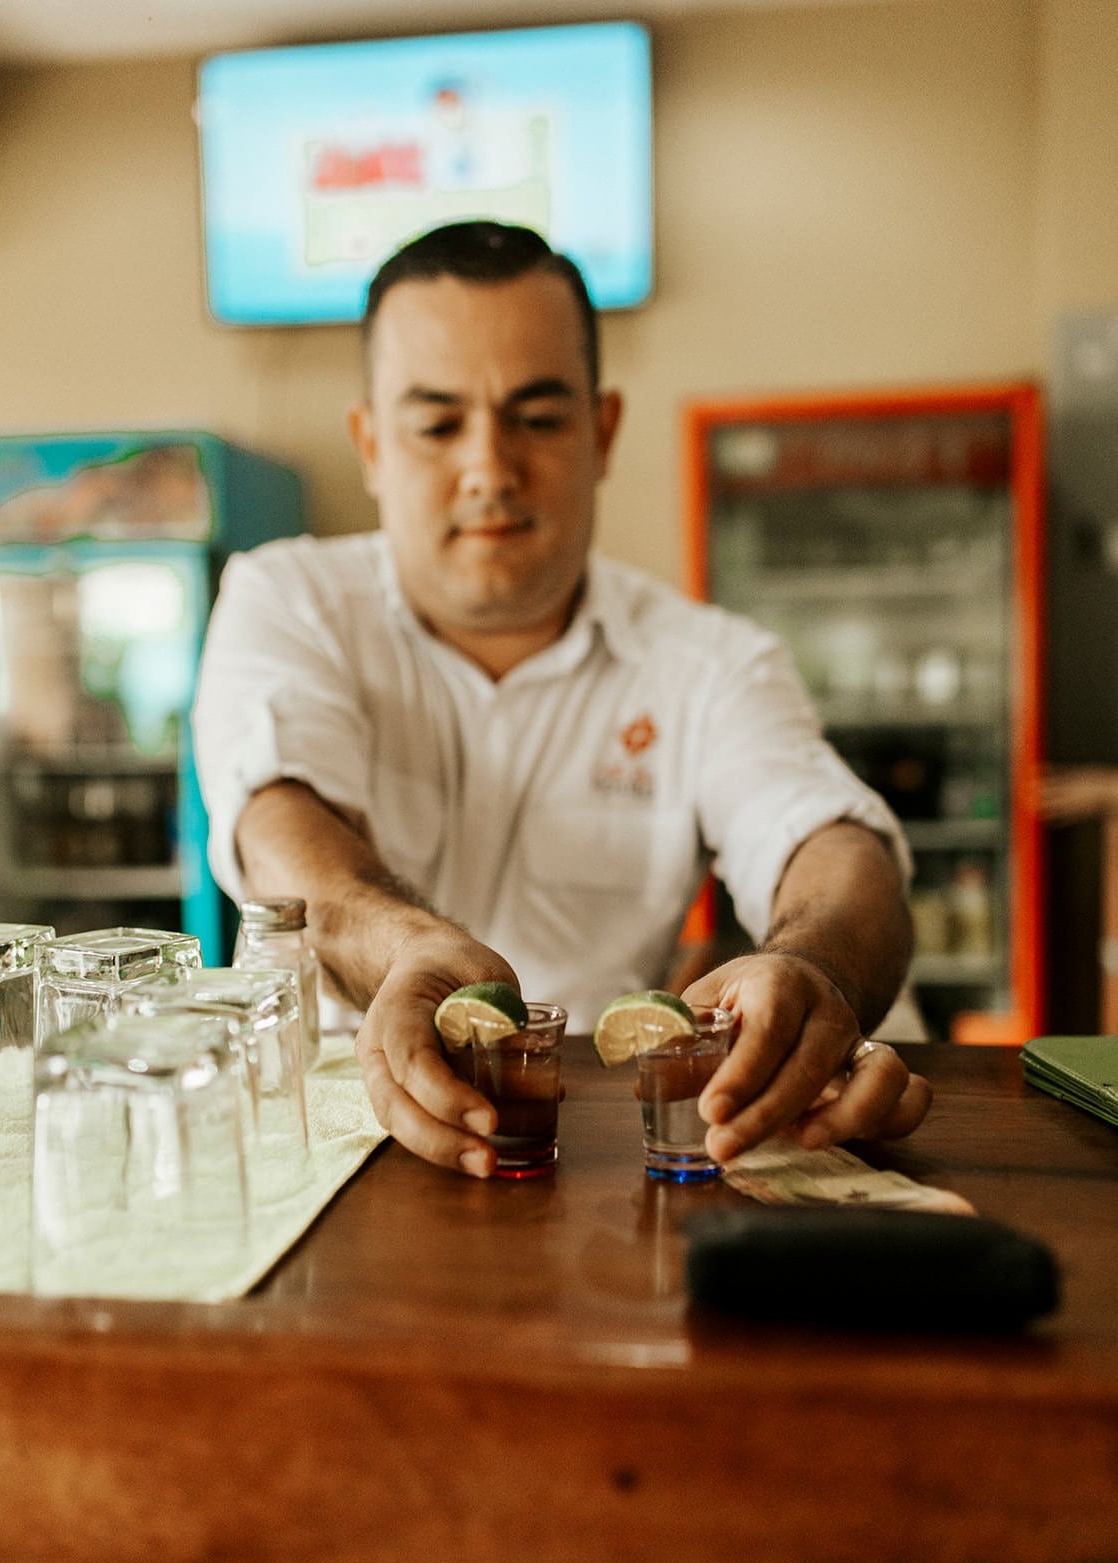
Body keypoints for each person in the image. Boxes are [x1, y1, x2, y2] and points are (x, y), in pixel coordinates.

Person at [192, 219, 931, 1179]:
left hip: (594, 1160)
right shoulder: (286, 600)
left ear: (603, 431)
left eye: (537, 418)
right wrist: (407, 948)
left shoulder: (713, 661)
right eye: (436, 424)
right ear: (371, 445)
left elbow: (834, 848)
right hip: (329, 1139)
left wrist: (814, 974)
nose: (490, 470)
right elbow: (282, 834)